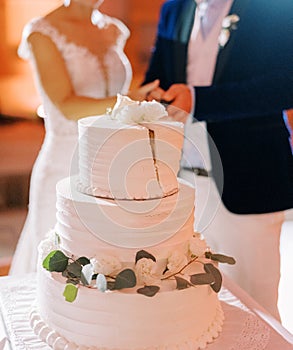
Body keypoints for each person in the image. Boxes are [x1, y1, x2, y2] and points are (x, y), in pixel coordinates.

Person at [141, 0, 293, 320]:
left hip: (249, 176)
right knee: (192, 302)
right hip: (182, 184)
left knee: (257, 303)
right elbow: (158, 76)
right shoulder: (174, 8)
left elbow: (284, 84)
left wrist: (199, 100)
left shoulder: (274, 8)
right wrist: (152, 96)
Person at [9, 0, 158, 276]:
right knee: (60, 265)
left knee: (108, 264)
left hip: (113, 165)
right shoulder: (43, 32)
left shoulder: (114, 30)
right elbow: (66, 105)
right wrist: (129, 101)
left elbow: (118, 94)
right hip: (64, 165)